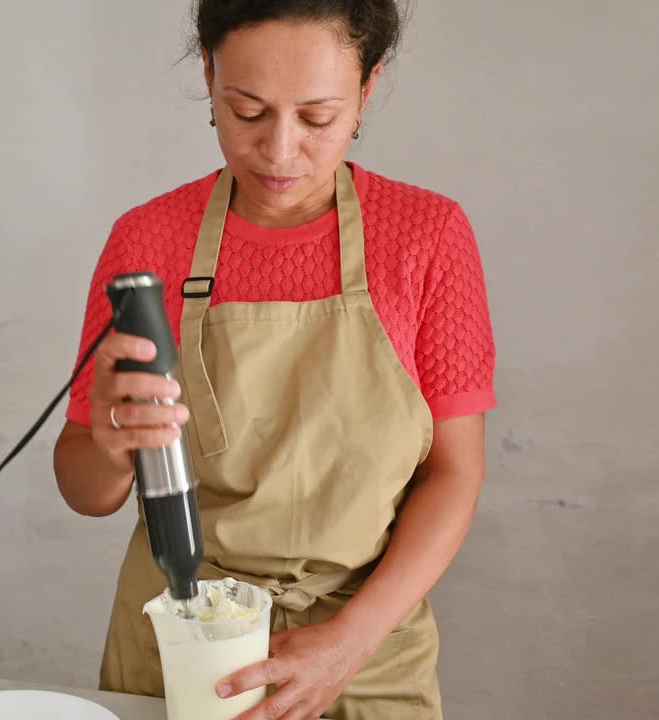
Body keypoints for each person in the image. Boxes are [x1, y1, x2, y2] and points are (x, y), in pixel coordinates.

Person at [53, 1, 495, 718]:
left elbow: (455, 472)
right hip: (187, 633)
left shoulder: (426, 237)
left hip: (367, 640)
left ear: (368, 89)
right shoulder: (150, 240)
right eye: (247, 111)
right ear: (208, 76)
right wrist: (108, 443)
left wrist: (348, 642)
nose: (280, 150)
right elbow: (87, 490)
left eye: (317, 118)